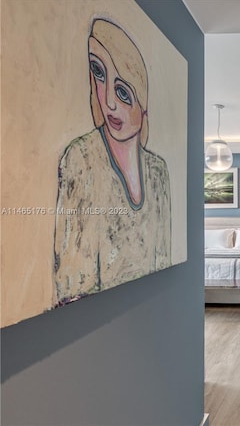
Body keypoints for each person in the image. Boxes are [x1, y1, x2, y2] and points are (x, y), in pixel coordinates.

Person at [53, 18, 171, 306]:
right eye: (98, 72)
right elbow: (72, 284)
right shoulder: (80, 159)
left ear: (143, 104)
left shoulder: (158, 173)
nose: (109, 103)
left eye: (123, 91)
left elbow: (164, 261)